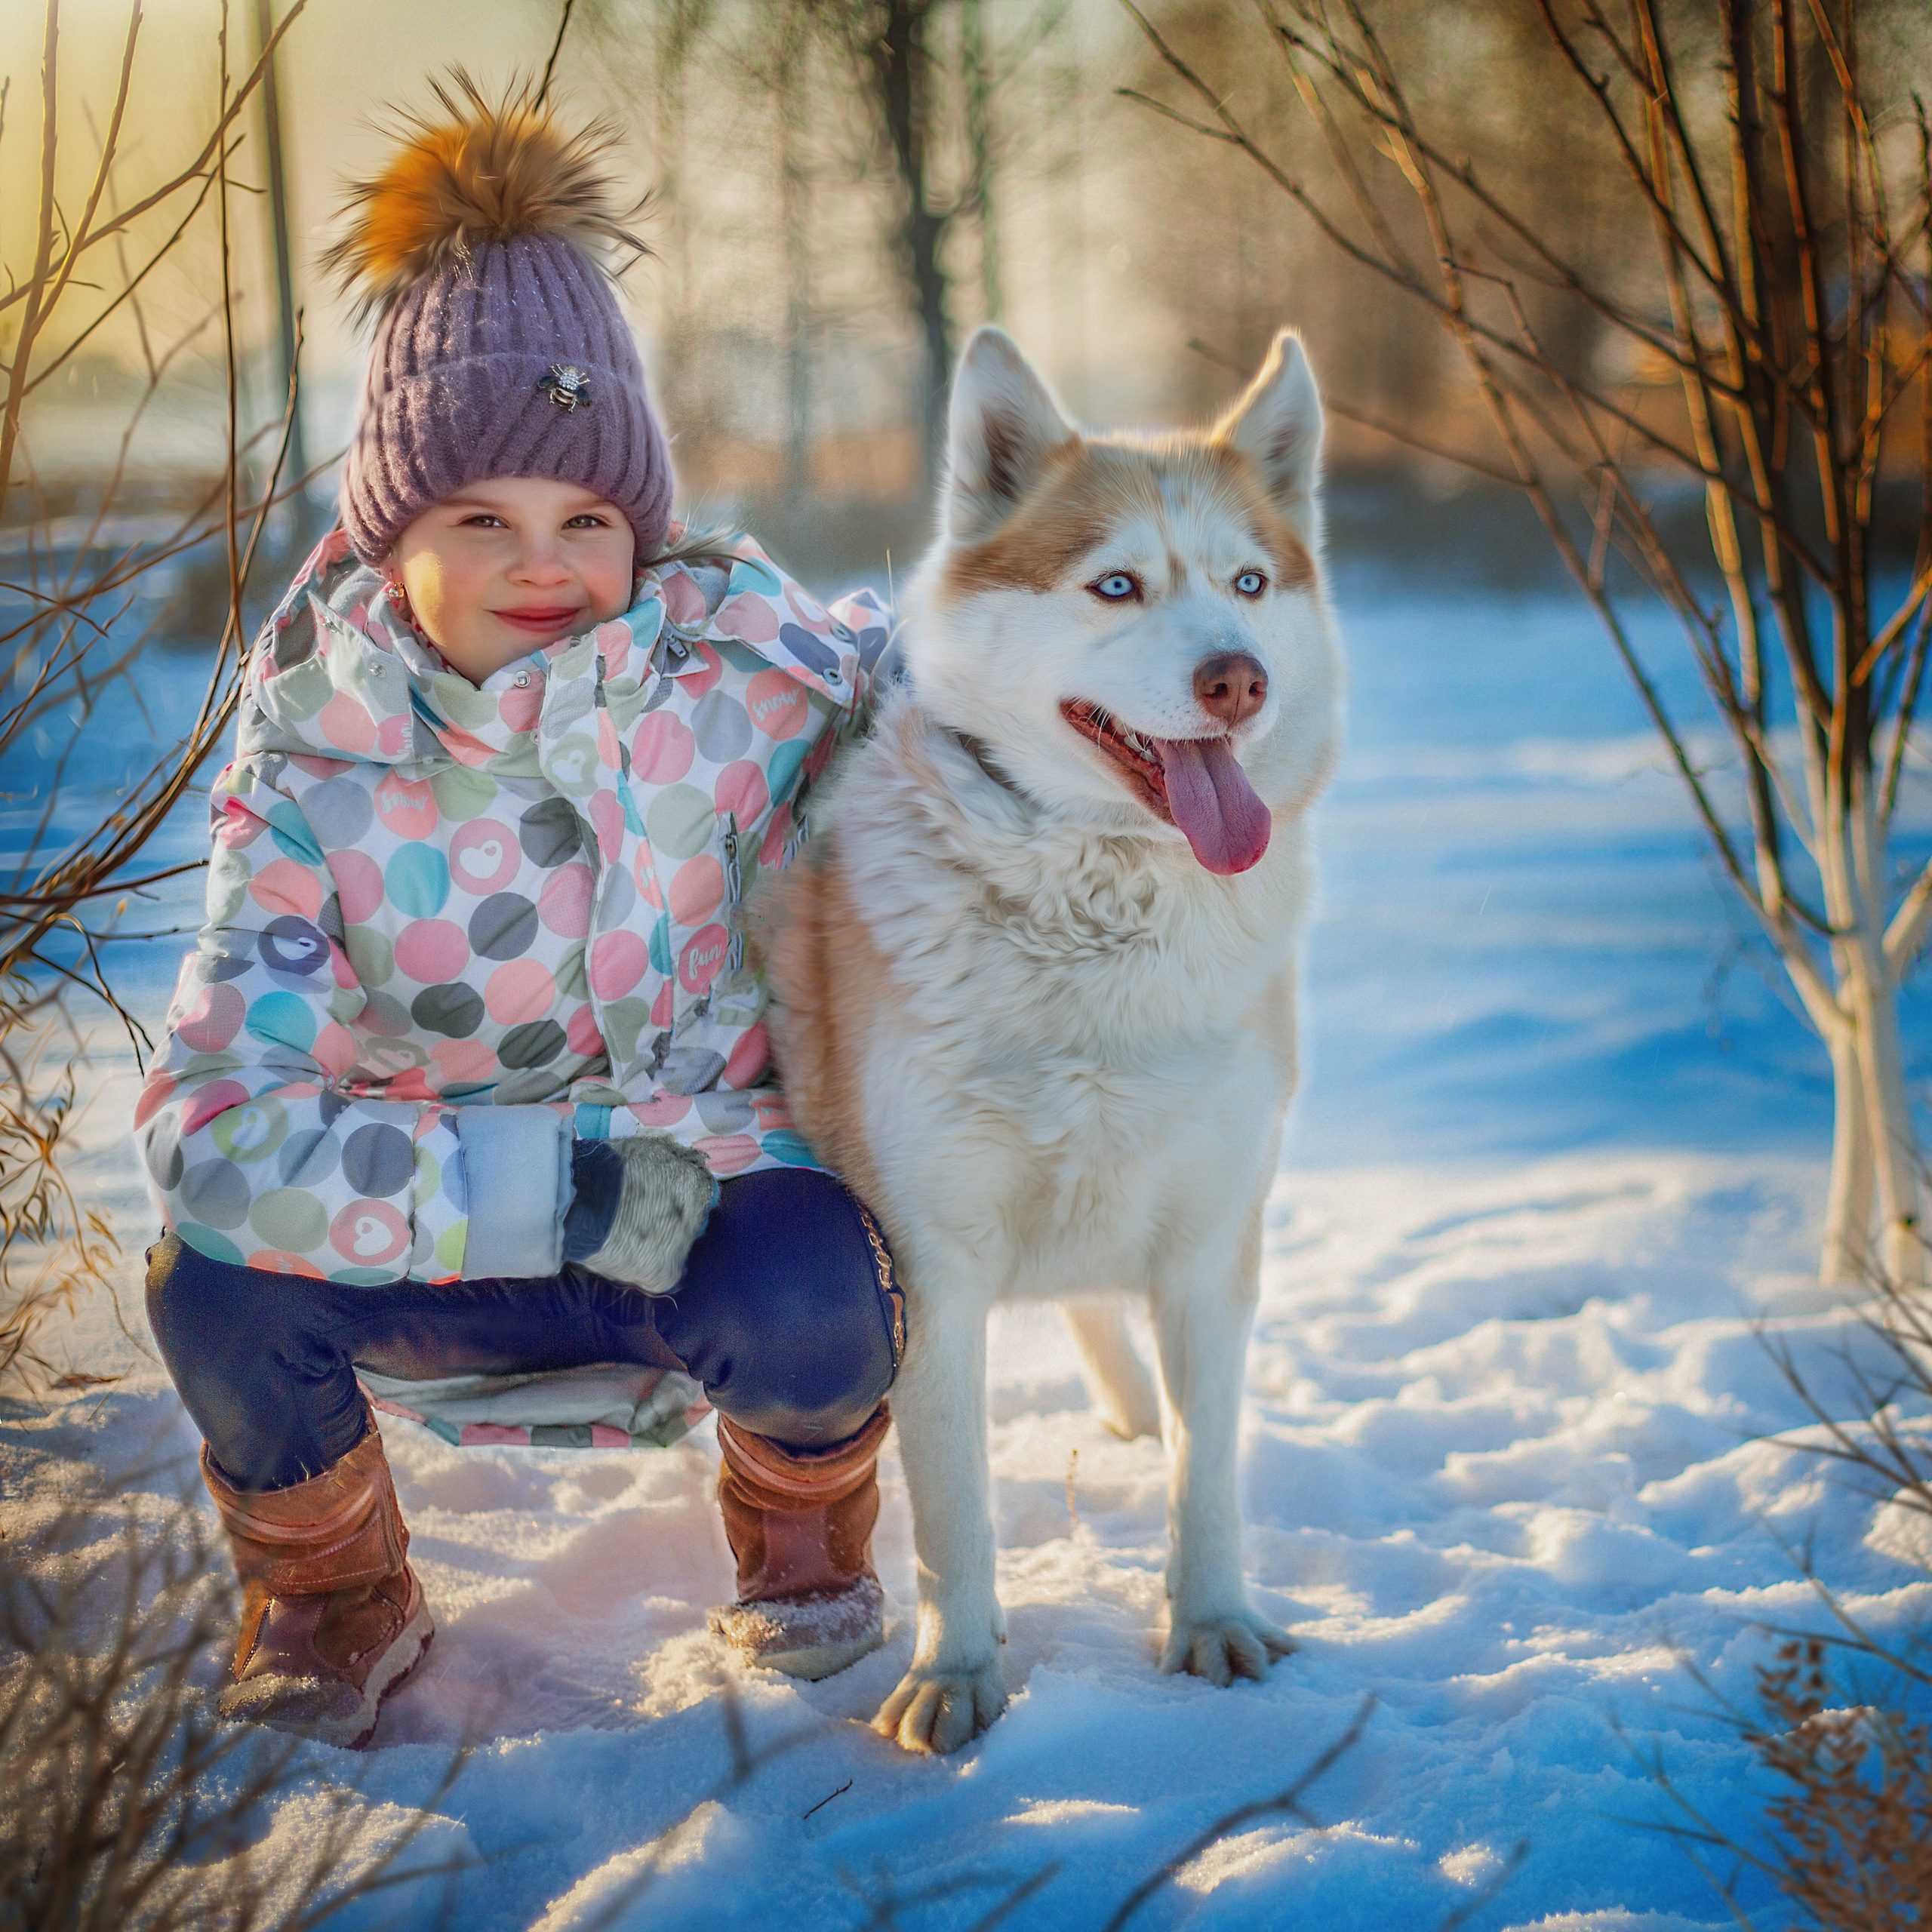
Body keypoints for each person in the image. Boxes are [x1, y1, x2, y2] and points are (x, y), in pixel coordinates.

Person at [134, 79, 900, 1749]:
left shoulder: (752, 686)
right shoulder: (310, 758)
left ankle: (798, 1533)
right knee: (211, 1284)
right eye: (478, 516)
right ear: (390, 536)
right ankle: (336, 1587)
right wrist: (547, 1191)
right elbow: (214, 1127)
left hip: (707, 1208)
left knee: (814, 1280)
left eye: (585, 518)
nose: (539, 561)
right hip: (424, 1234)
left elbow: (978, 703)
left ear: (643, 526)